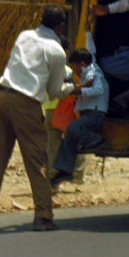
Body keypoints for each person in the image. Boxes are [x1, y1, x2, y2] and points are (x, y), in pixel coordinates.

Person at [0, 6, 75, 232]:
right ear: (60, 27)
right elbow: (55, 90)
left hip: (3, 97)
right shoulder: (56, 50)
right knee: (37, 161)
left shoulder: (24, 36)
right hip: (27, 104)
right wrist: (75, 87)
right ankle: (43, 215)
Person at [51, 30, 109, 187]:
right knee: (69, 138)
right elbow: (91, 51)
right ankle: (65, 170)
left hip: (95, 114)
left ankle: (96, 140)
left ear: (82, 64)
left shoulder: (94, 73)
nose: (74, 69)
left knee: (72, 128)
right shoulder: (87, 70)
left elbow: (99, 90)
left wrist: (80, 90)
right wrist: (89, 32)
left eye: (74, 66)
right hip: (86, 113)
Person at [42, 36, 73, 180]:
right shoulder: (67, 71)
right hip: (63, 111)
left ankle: (51, 178)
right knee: (74, 143)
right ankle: (76, 174)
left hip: (48, 112)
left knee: (52, 147)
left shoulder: (45, 71)